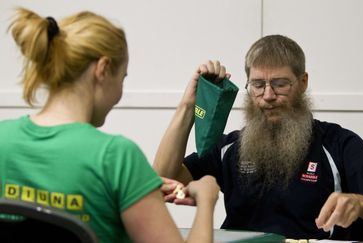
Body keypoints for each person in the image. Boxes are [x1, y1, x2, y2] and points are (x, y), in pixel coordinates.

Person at [153, 35, 363, 240]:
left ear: (302, 83)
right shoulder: (230, 148)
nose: (268, 95)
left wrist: (359, 204)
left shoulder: (338, 144)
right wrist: (189, 105)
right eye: (258, 85)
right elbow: (159, 183)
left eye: (280, 84)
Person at [0, 8, 220, 243]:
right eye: (122, 78)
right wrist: (206, 200)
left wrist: (135, 191)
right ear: (102, 69)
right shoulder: (116, 157)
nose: (120, 94)